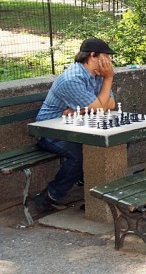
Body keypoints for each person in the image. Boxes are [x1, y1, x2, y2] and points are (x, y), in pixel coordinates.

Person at [33, 38, 116, 212]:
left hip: (76, 127)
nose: (110, 62)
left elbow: (111, 104)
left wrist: (82, 110)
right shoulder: (72, 79)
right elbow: (101, 106)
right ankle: (49, 196)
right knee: (78, 156)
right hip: (50, 131)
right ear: (92, 56)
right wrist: (108, 79)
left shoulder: (97, 75)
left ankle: (92, 185)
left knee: (118, 142)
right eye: (107, 56)